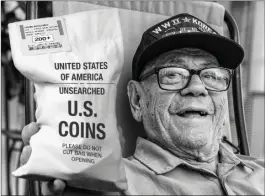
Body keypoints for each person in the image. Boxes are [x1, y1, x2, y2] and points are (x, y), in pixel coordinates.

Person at [20, 12, 264, 195]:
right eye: (173, 74)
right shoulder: (111, 183)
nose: (198, 88)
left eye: (212, 76)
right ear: (137, 100)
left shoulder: (260, 171)